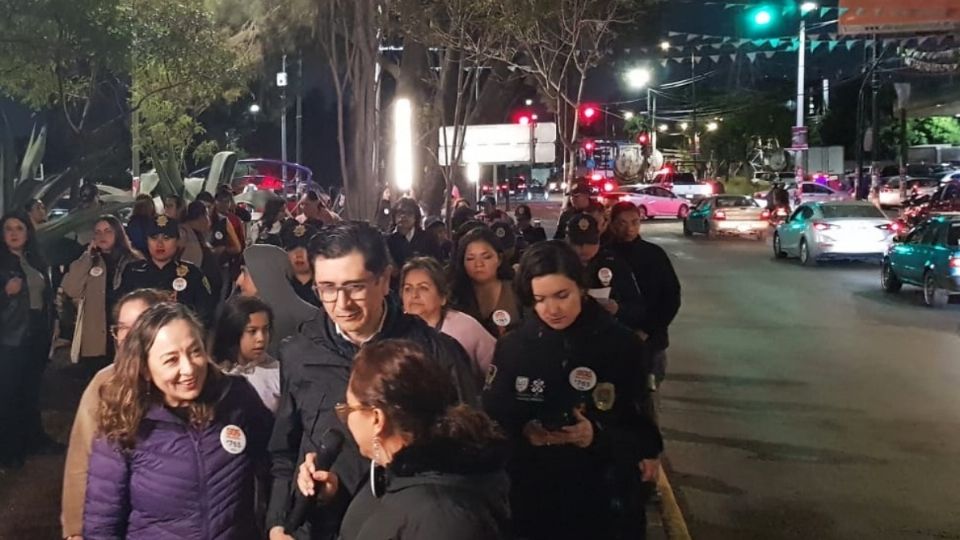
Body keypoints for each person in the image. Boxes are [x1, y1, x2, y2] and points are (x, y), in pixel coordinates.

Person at [266, 222, 479, 540]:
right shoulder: (299, 352)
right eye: (327, 288)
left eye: (355, 287)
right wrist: (279, 523)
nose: (341, 304)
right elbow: (284, 452)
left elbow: (471, 452)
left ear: (385, 280)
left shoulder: (432, 353)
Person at [483, 240, 663, 540]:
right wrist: (525, 431)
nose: (552, 309)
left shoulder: (622, 345)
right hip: (532, 502)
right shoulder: (512, 348)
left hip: (603, 504)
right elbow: (491, 422)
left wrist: (594, 435)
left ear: (581, 287)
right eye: (540, 299)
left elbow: (643, 436)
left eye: (561, 295)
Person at [83, 303, 274, 539]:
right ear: (144, 368)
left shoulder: (236, 398)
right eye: (171, 360)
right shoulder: (125, 421)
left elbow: (276, 459)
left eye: (195, 351)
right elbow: (103, 521)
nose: (188, 369)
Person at [297, 340, 509, 540]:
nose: (345, 420)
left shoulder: (443, 516)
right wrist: (330, 502)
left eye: (349, 409)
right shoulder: (391, 474)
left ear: (377, 419)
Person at [60, 288, 170, 540]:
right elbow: (80, 460)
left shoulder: (187, 379)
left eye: (140, 324)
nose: (130, 336)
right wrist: (74, 529)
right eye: (122, 327)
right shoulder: (105, 383)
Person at [0, 211, 57, 468]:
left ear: (27, 232)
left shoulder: (35, 260)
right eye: (8, 229)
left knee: (31, 390)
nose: (13, 233)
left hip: (36, 332)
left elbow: (47, 296)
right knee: (9, 393)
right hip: (10, 335)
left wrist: (52, 326)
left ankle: (33, 439)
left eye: (19, 228)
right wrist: (5, 293)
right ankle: (9, 449)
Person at [607, 202, 681, 387]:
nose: (629, 228)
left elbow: (671, 298)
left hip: (650, 342)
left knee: (647, 399)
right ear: (612, 224)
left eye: (634, 222)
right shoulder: (604, 255)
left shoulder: (654, 255)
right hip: (612, 340)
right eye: (622, 223)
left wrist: (648, 330)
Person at [61, 216, 143, 375]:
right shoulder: (90, 260)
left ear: (118, 233)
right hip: (96, 336)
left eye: (107, 231)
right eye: (97, 232)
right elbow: (71, 289)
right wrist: (87, 257)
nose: (102, 236)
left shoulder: (134, 261)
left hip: (125, 334)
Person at [401, 257, 495, 376]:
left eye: (423, 288)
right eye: (408, 289)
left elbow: (497, 369)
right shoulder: (394, 330)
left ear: (443, 297)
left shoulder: (465, 327)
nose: (414, 295)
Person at [119, 215, 215, 324]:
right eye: (154, 238)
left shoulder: (192, 274)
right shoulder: (133, 272)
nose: (159, 244)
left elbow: (205, 314)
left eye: (166, 238)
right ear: (147, 241)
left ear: (177, 241)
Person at [564, 213, 647, 330]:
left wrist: (618, 309)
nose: (583, 249)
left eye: (590, 243)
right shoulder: (557, 263)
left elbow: (636, 307)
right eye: (577, 244)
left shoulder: (613, 263)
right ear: (567, 241)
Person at [236, 244, 319, 354]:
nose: (238, 281)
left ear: (263, 274)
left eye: (244, 273)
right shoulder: (241, 317)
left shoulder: (313, 322)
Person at [212, 296, 281, 414]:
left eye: (265, 330)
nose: (261, 338)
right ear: (234, 332)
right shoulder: (215, 374)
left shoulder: (279, 373)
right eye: (252, 331)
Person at [450, 227, 521, 338]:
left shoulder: (517, 291)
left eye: (486, 257)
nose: (479, 264)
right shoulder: (454, 296)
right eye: (470, 258)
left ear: (499, 259)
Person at [386, 197, 441, 271]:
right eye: (400, 212)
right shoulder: (388, 241)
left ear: (416, 217)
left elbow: (437, 265)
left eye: (409, 213)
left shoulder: (428, 239)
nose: (403, 216)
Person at [280, 219, 322, 308]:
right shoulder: (279, 288)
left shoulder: (324, 289)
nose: (298, 254)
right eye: (292, 248)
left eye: (305, 248)